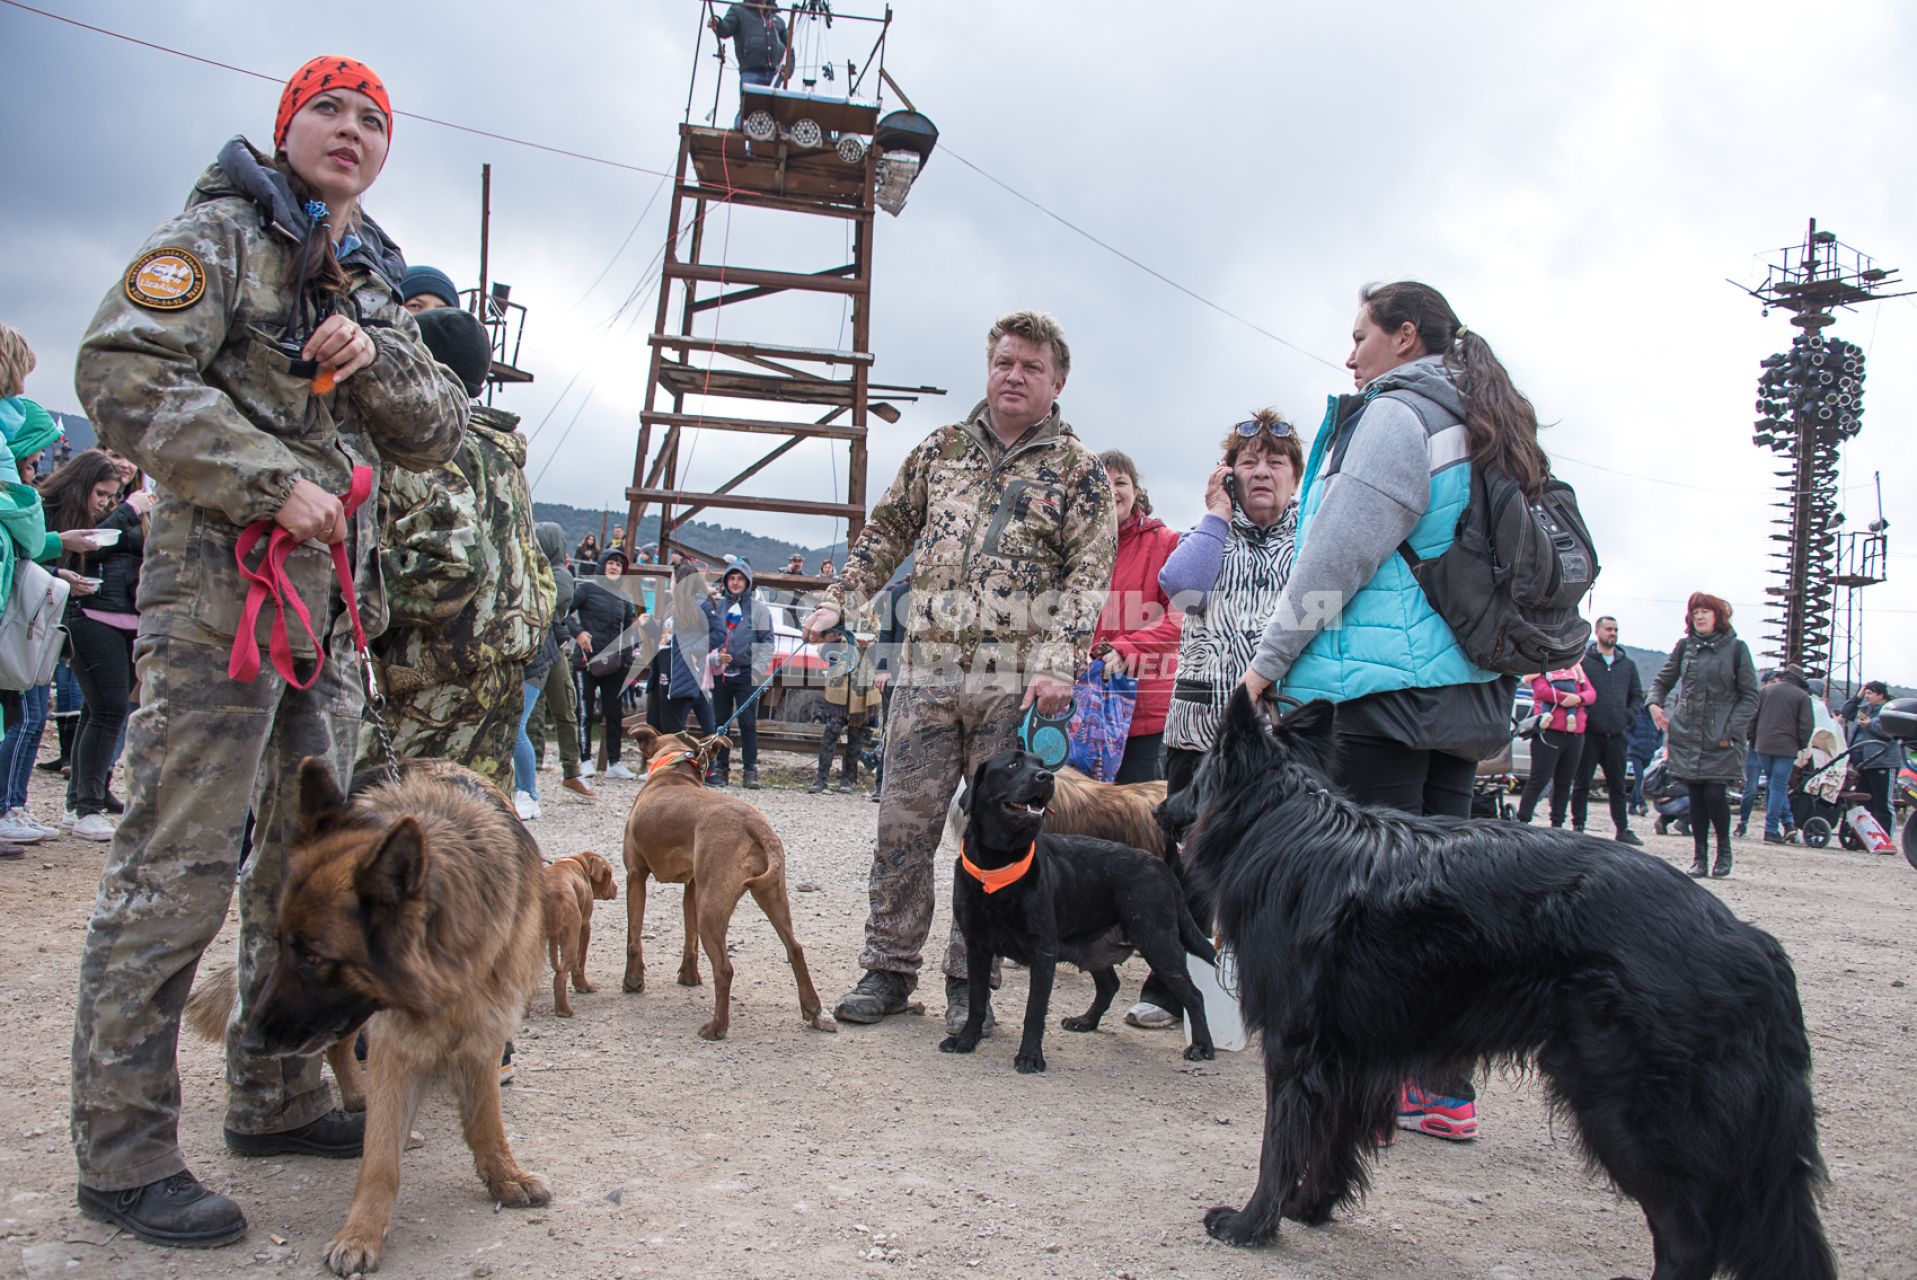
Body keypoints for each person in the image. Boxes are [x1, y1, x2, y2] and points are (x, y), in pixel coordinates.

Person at [68, 56, 468, 1249]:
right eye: (327, 111)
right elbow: (120, 372)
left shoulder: (372, 272)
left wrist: (373, 354)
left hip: (327, 621)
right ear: (287, 126)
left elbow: (437, 427)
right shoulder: (216, 240)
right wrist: (269, 478)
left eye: (371, 120)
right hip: (215, 612)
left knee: (298, 876)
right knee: (175, 867)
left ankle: (276, 1089)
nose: (349, 131)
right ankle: (124, 1150)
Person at [1243, 282, 1542, 1145]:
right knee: (1441, 903)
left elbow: (1338, 553)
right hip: (1465, 692)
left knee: (1362, 909)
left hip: (1381, 691)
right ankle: (1441, 1088)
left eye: (1359, 334)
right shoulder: (1485, 416)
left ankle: (1360, 1093)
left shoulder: (1396, 416)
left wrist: (1264, 671)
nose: (1348, 354)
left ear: (1404, 336)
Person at [801, 309, 1115, 1034]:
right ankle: (887, 969)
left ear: (1056, 380)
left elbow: (1088, 575)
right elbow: (883, 535)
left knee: (993, 843)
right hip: (925, 676)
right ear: (989, 368)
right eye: (1005, 361)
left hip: (1013, 687)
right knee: (901, 827)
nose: (1014, 375)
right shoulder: (939, 450)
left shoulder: (1079, 473)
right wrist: (840, 601)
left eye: (1030, 366)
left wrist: (1057, 661)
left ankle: (969, 982)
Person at [358, 305, 553, 787]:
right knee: (478, 829)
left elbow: (451, 564)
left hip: (437, 673)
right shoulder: (501, 453)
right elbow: (535, 570)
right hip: (501, 664)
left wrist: (357, 583)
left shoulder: (434, 445)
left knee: (390, 819)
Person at [1158, 414, 1300, 799]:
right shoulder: (1208, 534)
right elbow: (1182, 589)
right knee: (1189, 855)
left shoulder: (1312, 538)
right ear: (1228, 475)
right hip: (1199, 739)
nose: (1261, 473)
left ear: (1296, 477)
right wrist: (1219, 511)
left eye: (1275, 463)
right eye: (1249, 463)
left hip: (1280, 743)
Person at [41, 451, 151, 841]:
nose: (106, 501)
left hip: (126, 617)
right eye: (101, 494)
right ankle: (88, 807)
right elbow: (86, 544)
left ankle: (78, 804)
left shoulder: (129, 505)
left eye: (112, 495)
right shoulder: (62, 508)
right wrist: (128, 511)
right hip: (90, 617)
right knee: (110, 711)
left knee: (97, 711)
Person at [1648, 592, 1760, 878]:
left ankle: (1724, 851)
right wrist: (1654, 704)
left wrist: (1733, 728)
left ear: (1717, 615)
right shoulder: (1685, 646)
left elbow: (1750, 695)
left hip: (1720, 735)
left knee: (1714, 792)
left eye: (1704, 611)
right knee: (1695, 794)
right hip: (1686, 732)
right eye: (1695, 612)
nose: (1699, 616)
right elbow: (1663, 680)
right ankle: (1700, 856)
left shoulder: (1736, 649)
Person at [1089, 450, 1181, 785]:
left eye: (1121, 481)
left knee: (1140, 825)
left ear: (1137, 492)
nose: (1112, 489)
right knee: (1080, 824)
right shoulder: (1074, 546)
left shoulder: (1167, 543)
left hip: (1143, 714)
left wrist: (1127, 649)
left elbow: (1181, 617)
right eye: (1102, 480)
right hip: (1083, 711)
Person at [1568, 616, 1645, 844]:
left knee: (1617, 785)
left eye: (1616, 630)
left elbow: (1636, 696)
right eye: (1609, 629)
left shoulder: (1627, 665)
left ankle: (1622, 829)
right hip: (1590, 733)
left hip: (1617, 734)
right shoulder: (1585, 662)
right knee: (1582, 782)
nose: (1613, 633)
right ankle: (1578, 826)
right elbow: (1577, 689)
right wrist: (1587, 717)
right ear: (1599, 632)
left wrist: (1627, 717)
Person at [574, 548, 641, 777]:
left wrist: (628, 658)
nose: (614, 567)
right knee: (584, 711)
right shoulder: (585, 588)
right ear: (602, 564)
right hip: (587, 660)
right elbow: (563, 615)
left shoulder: (625, 597)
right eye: (611, 562)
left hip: (614, 663)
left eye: (619, 564)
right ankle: (584, 760)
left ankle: (614, 762)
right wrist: (578, 632)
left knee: (614, 713)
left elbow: (630, 628)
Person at [707, 561, 771, 788]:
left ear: (747, 582)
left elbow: (767, 643)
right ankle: (721, 769)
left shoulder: (760, 610)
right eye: (731, 578)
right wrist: (715, 657)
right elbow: (706, 635)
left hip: (747, 673)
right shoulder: (716, 606)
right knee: (720, 722)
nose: (735, 583)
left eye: (740, 579)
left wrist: (757, 670)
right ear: (726, 581)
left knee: (747, 723)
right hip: (720, 672)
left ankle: (750, 770)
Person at [1514, 661, 1596, 827]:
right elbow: (1541, 691)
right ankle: (1523, 820)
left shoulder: (1576, 670)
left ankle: (1557, 824)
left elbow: (1591, 693)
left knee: (1564, 782)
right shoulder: (1542, 667)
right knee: (1539, 779)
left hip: (1574, 734)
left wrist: (1578, 699)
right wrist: (1565, 698)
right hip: (1549, 732)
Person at [1744, 666, 1814, 842]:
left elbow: (1753, 718)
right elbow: (1806, 725)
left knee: (1774, 785)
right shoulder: (1802, 696)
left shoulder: (1766, 691)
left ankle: (1788, 822)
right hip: (1786, 747)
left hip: (1762, 745)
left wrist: (1752, 738)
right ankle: (1771, 829)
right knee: (1777, 787)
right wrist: (1800, 744)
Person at [710, 1, 792, 120]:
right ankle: (741, 123)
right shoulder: (738, 10)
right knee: (748, 111)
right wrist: (717, 22)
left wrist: (788, 68)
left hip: (775, 75)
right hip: (751, 71)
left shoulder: (778, 21)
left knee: (772, 115)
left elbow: (789, 47)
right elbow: (725, 29)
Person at [1848, 679, 1898, 839]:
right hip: (1863, 764)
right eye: (1866, 693)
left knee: (1882, 802)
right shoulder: (1864, 709)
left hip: (1882, 762)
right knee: (1864, 802)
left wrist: (1870, 725)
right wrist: (1859, 695)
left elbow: (1889, 733)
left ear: (1881, 695)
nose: (1867, 696)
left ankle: (1886, 838)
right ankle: (1868, 837)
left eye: (1870, 693)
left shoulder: (1889, 711)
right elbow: (1846, 712)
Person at [1626, 702, 1663, 816]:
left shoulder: (1655, 717)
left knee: (1644, 778)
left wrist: (1656, 745)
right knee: (1640, 778)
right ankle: (1642, 804)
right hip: (1635, 752)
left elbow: (1660, 732)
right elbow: (1626, 731)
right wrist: (1633, 743)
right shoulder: (1637, 715)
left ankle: (1632, 805)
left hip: (1648, 752)